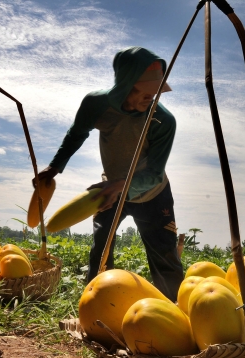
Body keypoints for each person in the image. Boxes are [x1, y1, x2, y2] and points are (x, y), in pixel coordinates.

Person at [35, 46, 184, 302]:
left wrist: (121, 186)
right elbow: (77, 133)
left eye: (156, 93)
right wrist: (56, 166)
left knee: (165, 257)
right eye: (145, 92)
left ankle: (177, 311)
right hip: (109, 191)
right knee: (100, 251)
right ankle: (96, 305)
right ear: (126, 85)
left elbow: (155, 174)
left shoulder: (163, 120)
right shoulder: (96, 104)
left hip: (153, 196)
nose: (152, 99)